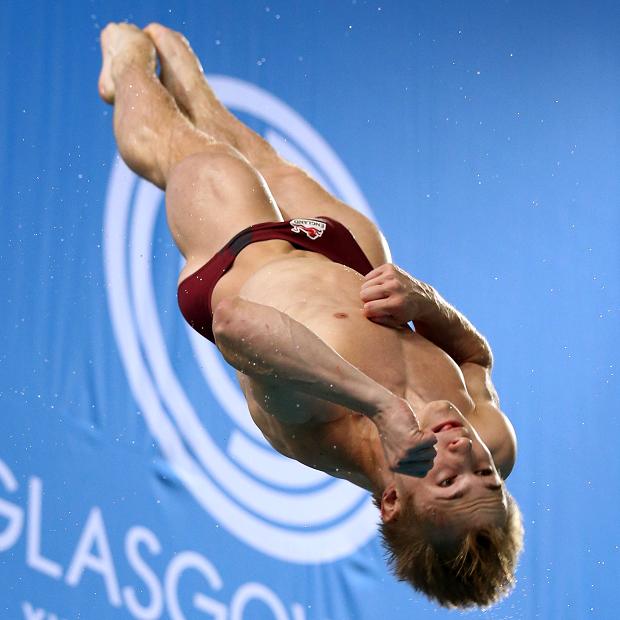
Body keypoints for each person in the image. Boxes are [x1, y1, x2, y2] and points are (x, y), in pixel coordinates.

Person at [98, 22, 523, 608]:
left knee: (190, 155)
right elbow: (476, 357)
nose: (466, 456)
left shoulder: (320, 423)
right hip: (348, 262)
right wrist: (429, 305)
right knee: (272, 167)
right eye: (487, 479)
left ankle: (124, 69)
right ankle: (194, 85)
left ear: (391, 501)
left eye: (447, 481)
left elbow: (233, 323)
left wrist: (378, 403)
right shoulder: (492, 441)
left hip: (237, 262)